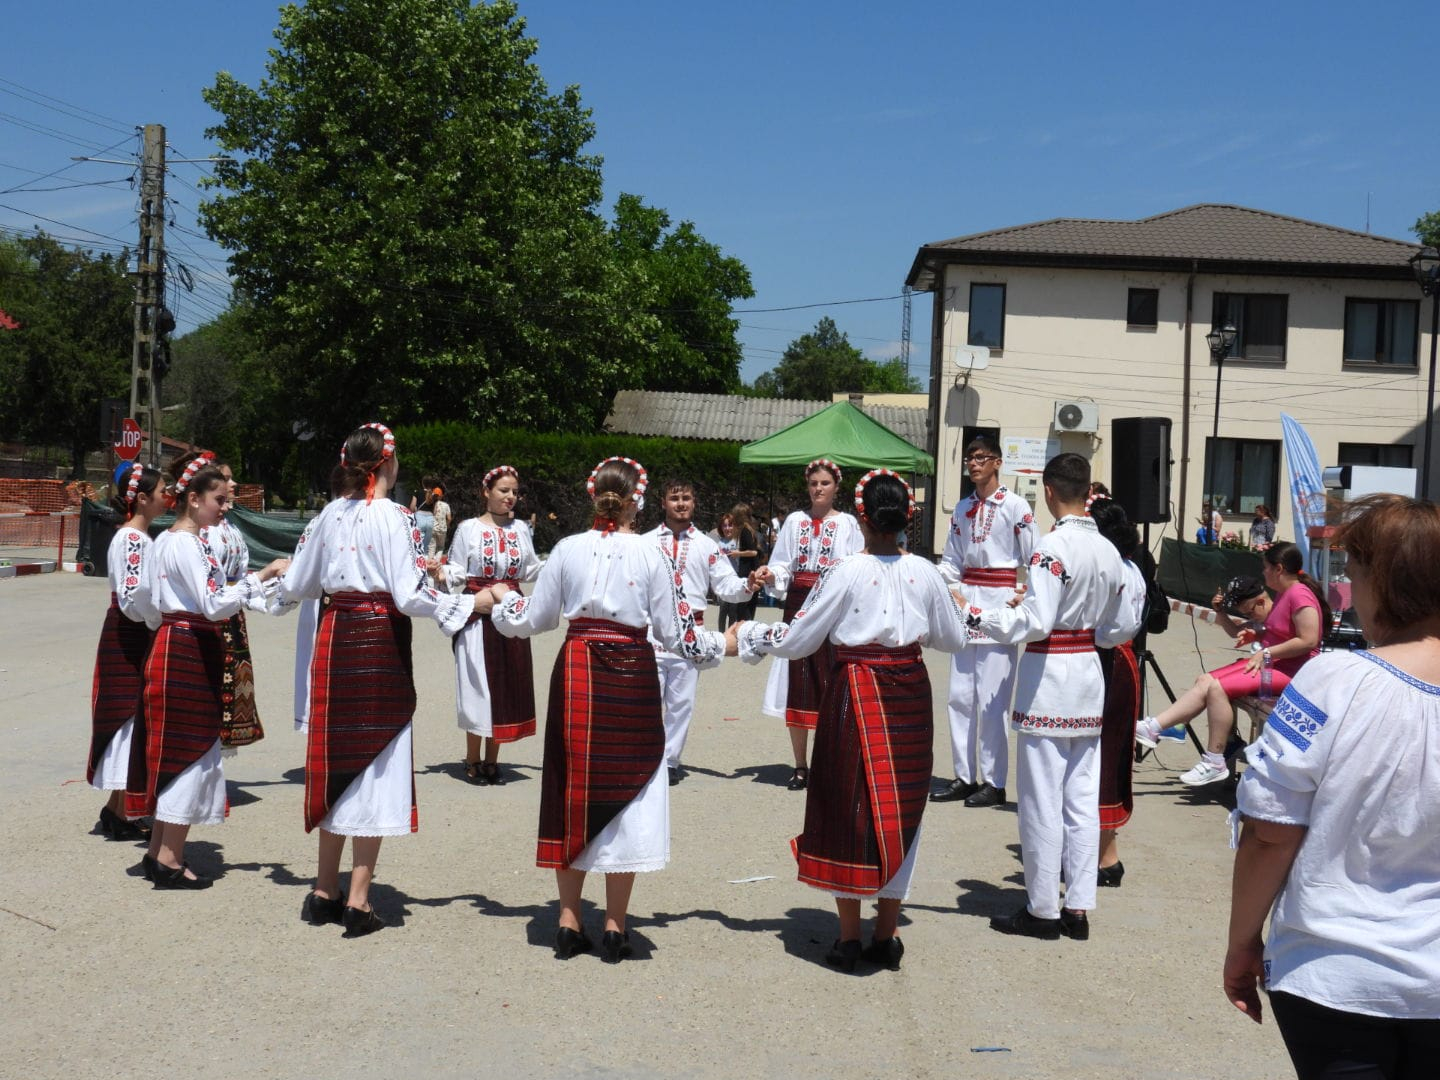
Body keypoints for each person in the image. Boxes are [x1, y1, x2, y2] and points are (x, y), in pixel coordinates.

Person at [1224, 494, 1440, 1079]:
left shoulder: (1334, 680)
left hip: (1337, 974)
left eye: (1354, 570)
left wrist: (1242, 943)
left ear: (1378, 580)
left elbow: (1271, 832)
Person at [490, 456, 730, 964]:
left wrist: (502, 603)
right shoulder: (650, 556)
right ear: (637, 502)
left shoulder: (567, 549)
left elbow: (534, 620)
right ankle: (616, 925)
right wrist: (730, 644)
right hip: (630, 670)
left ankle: (568, 920)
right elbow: (676, 635)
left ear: (591, 494)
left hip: (577, 665)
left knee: (571, 783)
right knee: (632, 785)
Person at [735, 471, 971, 972]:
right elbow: (953, 640)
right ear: (908, 517)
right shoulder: (925, 573)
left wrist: (752, 636)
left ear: (862, 517)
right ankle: (886, 935)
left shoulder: (844, 571)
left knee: (847, 803)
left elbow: (801, 639)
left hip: (856, 688)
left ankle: (848, 937)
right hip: (908, 689)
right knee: (901, 805)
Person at [275, 423, 486, 936]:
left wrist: (257, 589)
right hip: (376, 639)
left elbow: (300, 583)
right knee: (377, 762)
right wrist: (466, 603)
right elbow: (409, 595)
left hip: (334, 635)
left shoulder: (327, 515)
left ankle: (324, 889)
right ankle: (360, 899)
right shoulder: (396, 517)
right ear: (388, 465)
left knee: (335, 756)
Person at [976, 453, 1137, 942]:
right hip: (1089, 674)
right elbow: (1122, 624)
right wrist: (1089, 632)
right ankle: (1079, 907)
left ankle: (1043, 908)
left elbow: (1036, 621)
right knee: (1081, 799)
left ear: (1048, 491)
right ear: (1087, 490)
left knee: (1041, 798)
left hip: (1050, 677)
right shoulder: (1109, 551)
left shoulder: (1052, 545)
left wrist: (980, 616)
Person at [125, 452, 289, 889]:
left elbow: (147, 600)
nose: (225, 505)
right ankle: (169, 859)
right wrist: (265, 574)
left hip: (175, 643)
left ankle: (158, 850)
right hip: (187, 649)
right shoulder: (186, 543)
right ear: (193, 499)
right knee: (190, 752)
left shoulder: (169, 542)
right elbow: (215, 604)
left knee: (175, 748)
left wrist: (168, 623)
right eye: (219, 498)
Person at [1136, 541, 1329, 786]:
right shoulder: (1285, 593)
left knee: (1217, 688)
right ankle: (1156, 727)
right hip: (1275, 664)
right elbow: (1282, 633)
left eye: (1266, 568)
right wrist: (1257, 636)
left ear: (1278, 568)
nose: (1263, 572)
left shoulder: (1299, 594)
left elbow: (1308, 639)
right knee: (1206, 680)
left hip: (1294, 671)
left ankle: (1214, 760)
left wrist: (1266, 651)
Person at [933, 434, 1035, 808]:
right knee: (960, 697)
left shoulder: (1016, 506)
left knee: (992, 699)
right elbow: (951, 560)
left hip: (998, 607)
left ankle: (994, 781)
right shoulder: (961, 508)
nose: (973, 464)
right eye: (970, 458)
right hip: (966, 604)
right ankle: (964, 775)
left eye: (980, 458)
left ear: (996, 462)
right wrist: (940, 581)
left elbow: (1034, 559)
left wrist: (1025, 595)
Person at [751, 460, 864, 790]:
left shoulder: (847, 525)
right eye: (814, 482)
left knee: (831, 684)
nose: (818, 488)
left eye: (825, 483)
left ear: (836, 487)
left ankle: (828, 763)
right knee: (798, 681)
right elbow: (783, 565)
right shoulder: (794, 521)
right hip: (797, 606)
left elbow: (856, 567)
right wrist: (773, 575)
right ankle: (800, 765)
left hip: (830, 608)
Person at [644, 478, 756, 783]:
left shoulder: (708, 546)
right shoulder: (645, 542)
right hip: (651, 633)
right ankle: (646, 758)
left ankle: (669, 762)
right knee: (648, 701)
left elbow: (726, 585)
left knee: (682, 703)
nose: (680, 503)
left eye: (686, 498)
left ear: (694, 503)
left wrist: (748, 585)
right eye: (674, 498)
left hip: (691, 634)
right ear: (663, 503)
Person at [440, 465, 540, 785]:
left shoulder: (521, 529)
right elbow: (455, 570)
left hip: (509, 613)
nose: (510, 497)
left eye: (514, 492)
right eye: (503, 491)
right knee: (477, 687)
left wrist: (565, 569)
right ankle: (472, 758)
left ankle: (492, 761)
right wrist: (439, 575)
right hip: (477, 611)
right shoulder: (469, 528)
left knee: (504, 686)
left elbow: (532, 569)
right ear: (487, 492)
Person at [87, 461, 164, 841]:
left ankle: (119, 810)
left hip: (129, 631)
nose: (169, 497)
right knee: (127, 719)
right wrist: (158, 620)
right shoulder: (134, 539)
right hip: (129, 634)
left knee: (131, 719)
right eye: (163, 491)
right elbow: (134, 598)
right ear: (144, 498)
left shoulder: (138, 537)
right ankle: (120, 811)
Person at [1087, 497, 1147, 888]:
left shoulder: (1118, 571)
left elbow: (1113, 628)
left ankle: (1106, 856)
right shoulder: (1127, 568)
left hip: (1109, 661)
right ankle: (1099, 853)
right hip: (1115, 660)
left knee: (1103, 758)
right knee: (1100, 756)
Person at [202, 461, 266, 752]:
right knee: (212, 688)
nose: (232, 484)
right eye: (225, 479)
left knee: (233, 688)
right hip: (213, 614)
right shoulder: (202, 531)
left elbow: (240, 575)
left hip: (232, 614)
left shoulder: (229, 527)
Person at [717, 503, 764, 630]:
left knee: (743, 610)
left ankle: (742, 635)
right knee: (746, 608)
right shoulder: (750, 530)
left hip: (747, 573)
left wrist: (737, 553)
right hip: (750, 572)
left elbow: (753, 552)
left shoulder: (745, 530)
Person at [428, 485, 451, 558]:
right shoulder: (446, 505)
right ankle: (436, 563)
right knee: (440, 548)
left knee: (431, 547)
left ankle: (430, 563)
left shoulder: (431, 504)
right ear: (441, 496)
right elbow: (449, 518)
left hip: (433, 528)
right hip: (442, 529)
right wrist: (447, 525)